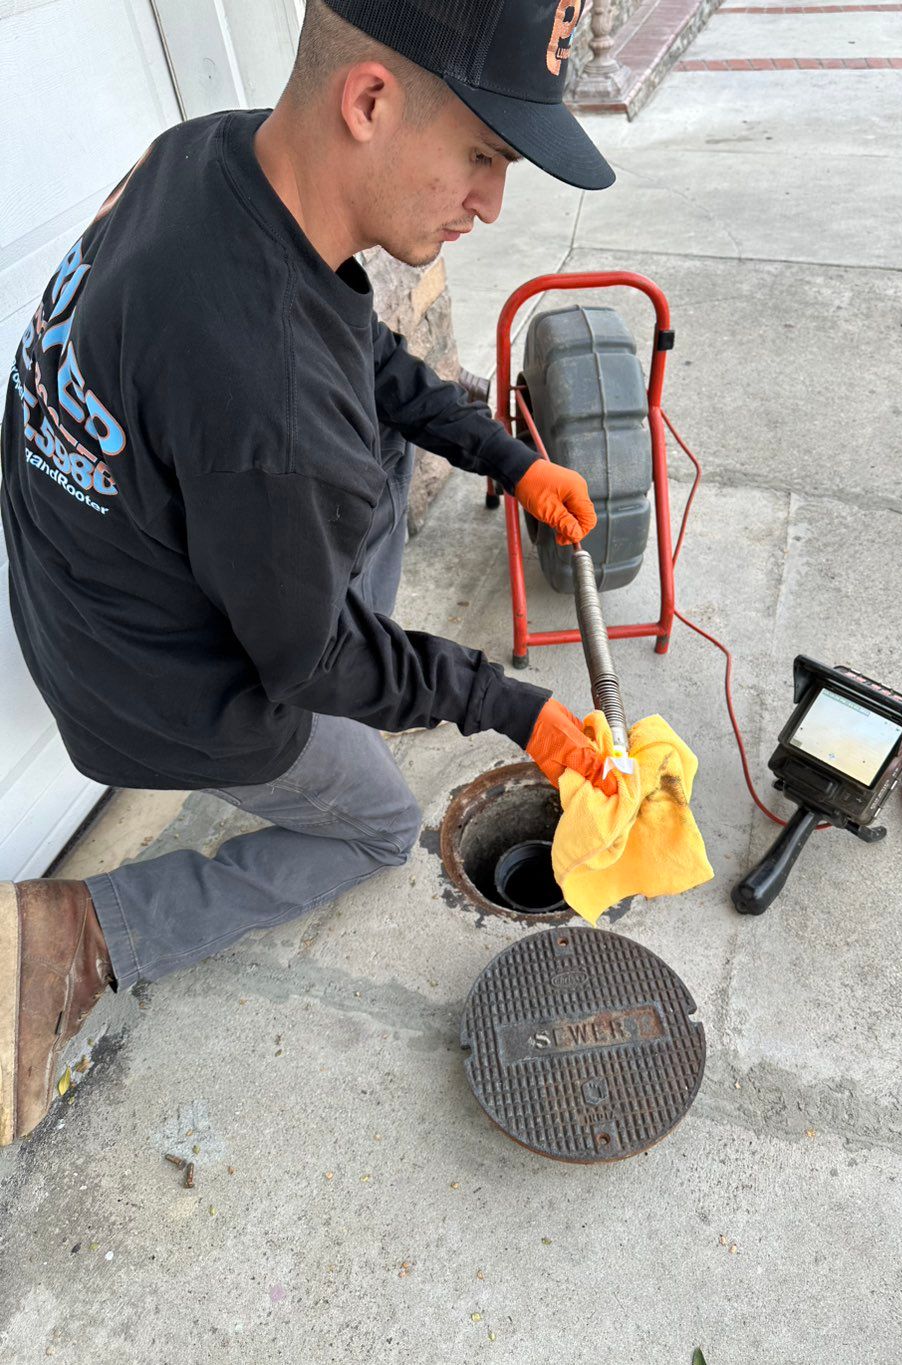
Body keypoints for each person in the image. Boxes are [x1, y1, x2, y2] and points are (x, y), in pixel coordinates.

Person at [0, 0, 619, 1147]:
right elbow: (310, 655)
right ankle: (83, 933)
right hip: (154, 685)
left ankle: (315, 618)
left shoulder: (207, 155)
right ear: (370, 100)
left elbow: (357, 351)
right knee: (374, 825)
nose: (491, 202)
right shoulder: (273, 411)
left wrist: (508, 458)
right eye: (483, 155)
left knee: (379, 448)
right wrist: (509, 706)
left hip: (80, 580)